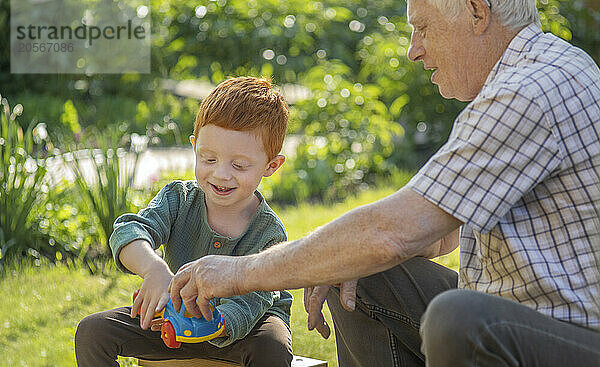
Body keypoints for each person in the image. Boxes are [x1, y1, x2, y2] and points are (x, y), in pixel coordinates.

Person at [168, 0, 600, 366]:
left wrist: (241, 272)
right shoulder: (535, 72)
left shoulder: (529, 91)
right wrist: (342, 257)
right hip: (528, 317)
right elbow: (441, 228)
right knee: (353, 269)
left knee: (460, 317)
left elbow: (393, 232)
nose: (414, 50)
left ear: (475, 10)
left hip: (574, 335)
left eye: (422, 28)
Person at [75, 77, 294, 367]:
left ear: (271, 166)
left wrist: (214, 321)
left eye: (239, 165)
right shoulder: (178, 198)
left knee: (272, 345)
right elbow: (129, 231)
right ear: (194, 146)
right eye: (209, 159)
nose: (221, 174)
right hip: (173, 325)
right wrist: (153, 270)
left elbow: (254, 300)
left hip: (241, 331)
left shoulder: (268, 232)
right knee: (93, 332)